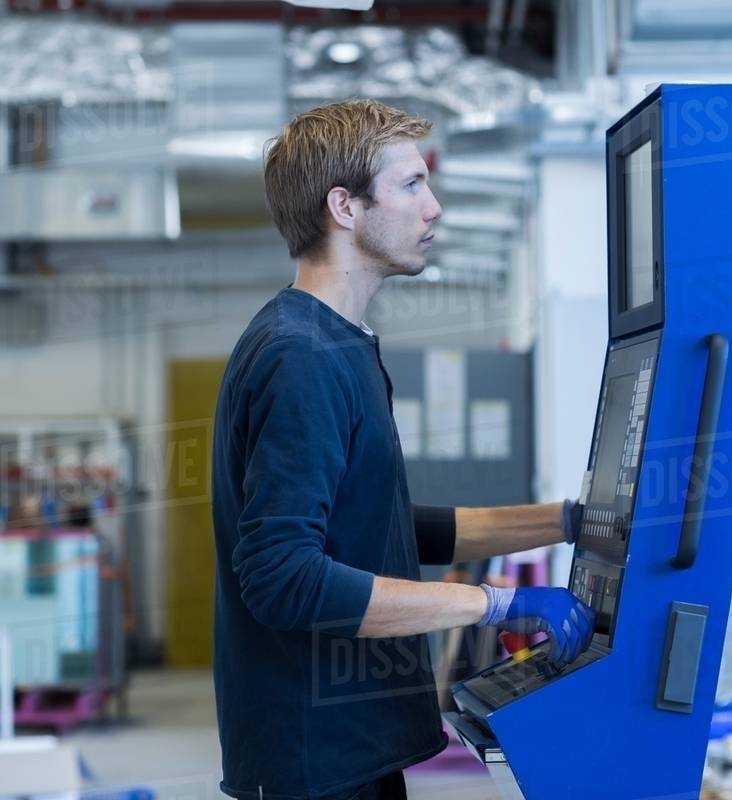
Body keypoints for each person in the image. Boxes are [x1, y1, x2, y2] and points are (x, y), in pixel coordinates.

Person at [211, 98, 595, 800]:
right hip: (316, 758)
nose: (435, 208)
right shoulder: (302, 356)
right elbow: (283, 577)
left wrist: (569, 522)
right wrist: (495, 605)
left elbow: (385, 524)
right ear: (345, 208)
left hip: (346, 749)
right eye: (412, 185)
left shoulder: (333, 343)